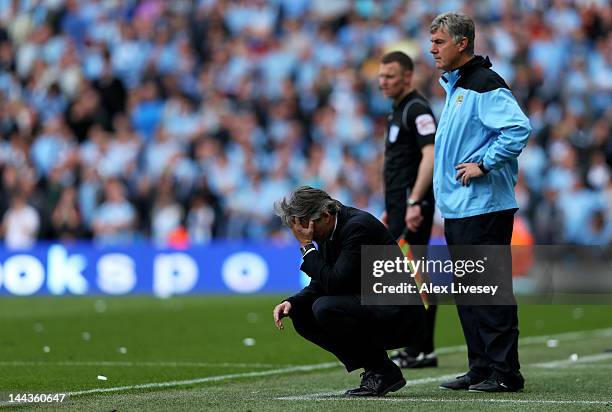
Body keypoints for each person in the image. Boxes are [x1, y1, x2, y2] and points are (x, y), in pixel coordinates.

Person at [429, 12, 531, 392]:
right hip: (462, 207)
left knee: (487, 290)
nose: (432, 49)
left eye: (439, 42)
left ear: (462, 43)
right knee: (470, 293)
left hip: (485, 205)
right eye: (432, 41)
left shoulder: (484, 84)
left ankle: (505, 373)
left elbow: (518, 128)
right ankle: (482, 367)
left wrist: (484, 164)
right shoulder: (458, 85)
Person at [273, 186, 426, 397]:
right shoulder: (329, 231)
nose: (307, 235)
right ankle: (379, 369)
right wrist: (292, 302)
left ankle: (381, 370)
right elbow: (322, 283)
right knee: (300, 313)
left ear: (325, 216)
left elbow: (336, 283)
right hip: (372, 306)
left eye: (309, 228)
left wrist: (308, 247)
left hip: (400, 314)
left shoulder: (357, 227)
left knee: (325, 308)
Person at [378, 50, 438, 369]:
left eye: (389, 76)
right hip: (401, 208)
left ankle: (422, 348)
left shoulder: (416, 109)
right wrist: (393, 207)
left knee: (416, 276)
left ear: (407, 76)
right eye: (381, 76)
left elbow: (429, 156)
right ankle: (416, 346)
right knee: (407, 277)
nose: (382, 82)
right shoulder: (398, 110)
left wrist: (414, 201)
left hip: (414, 207)